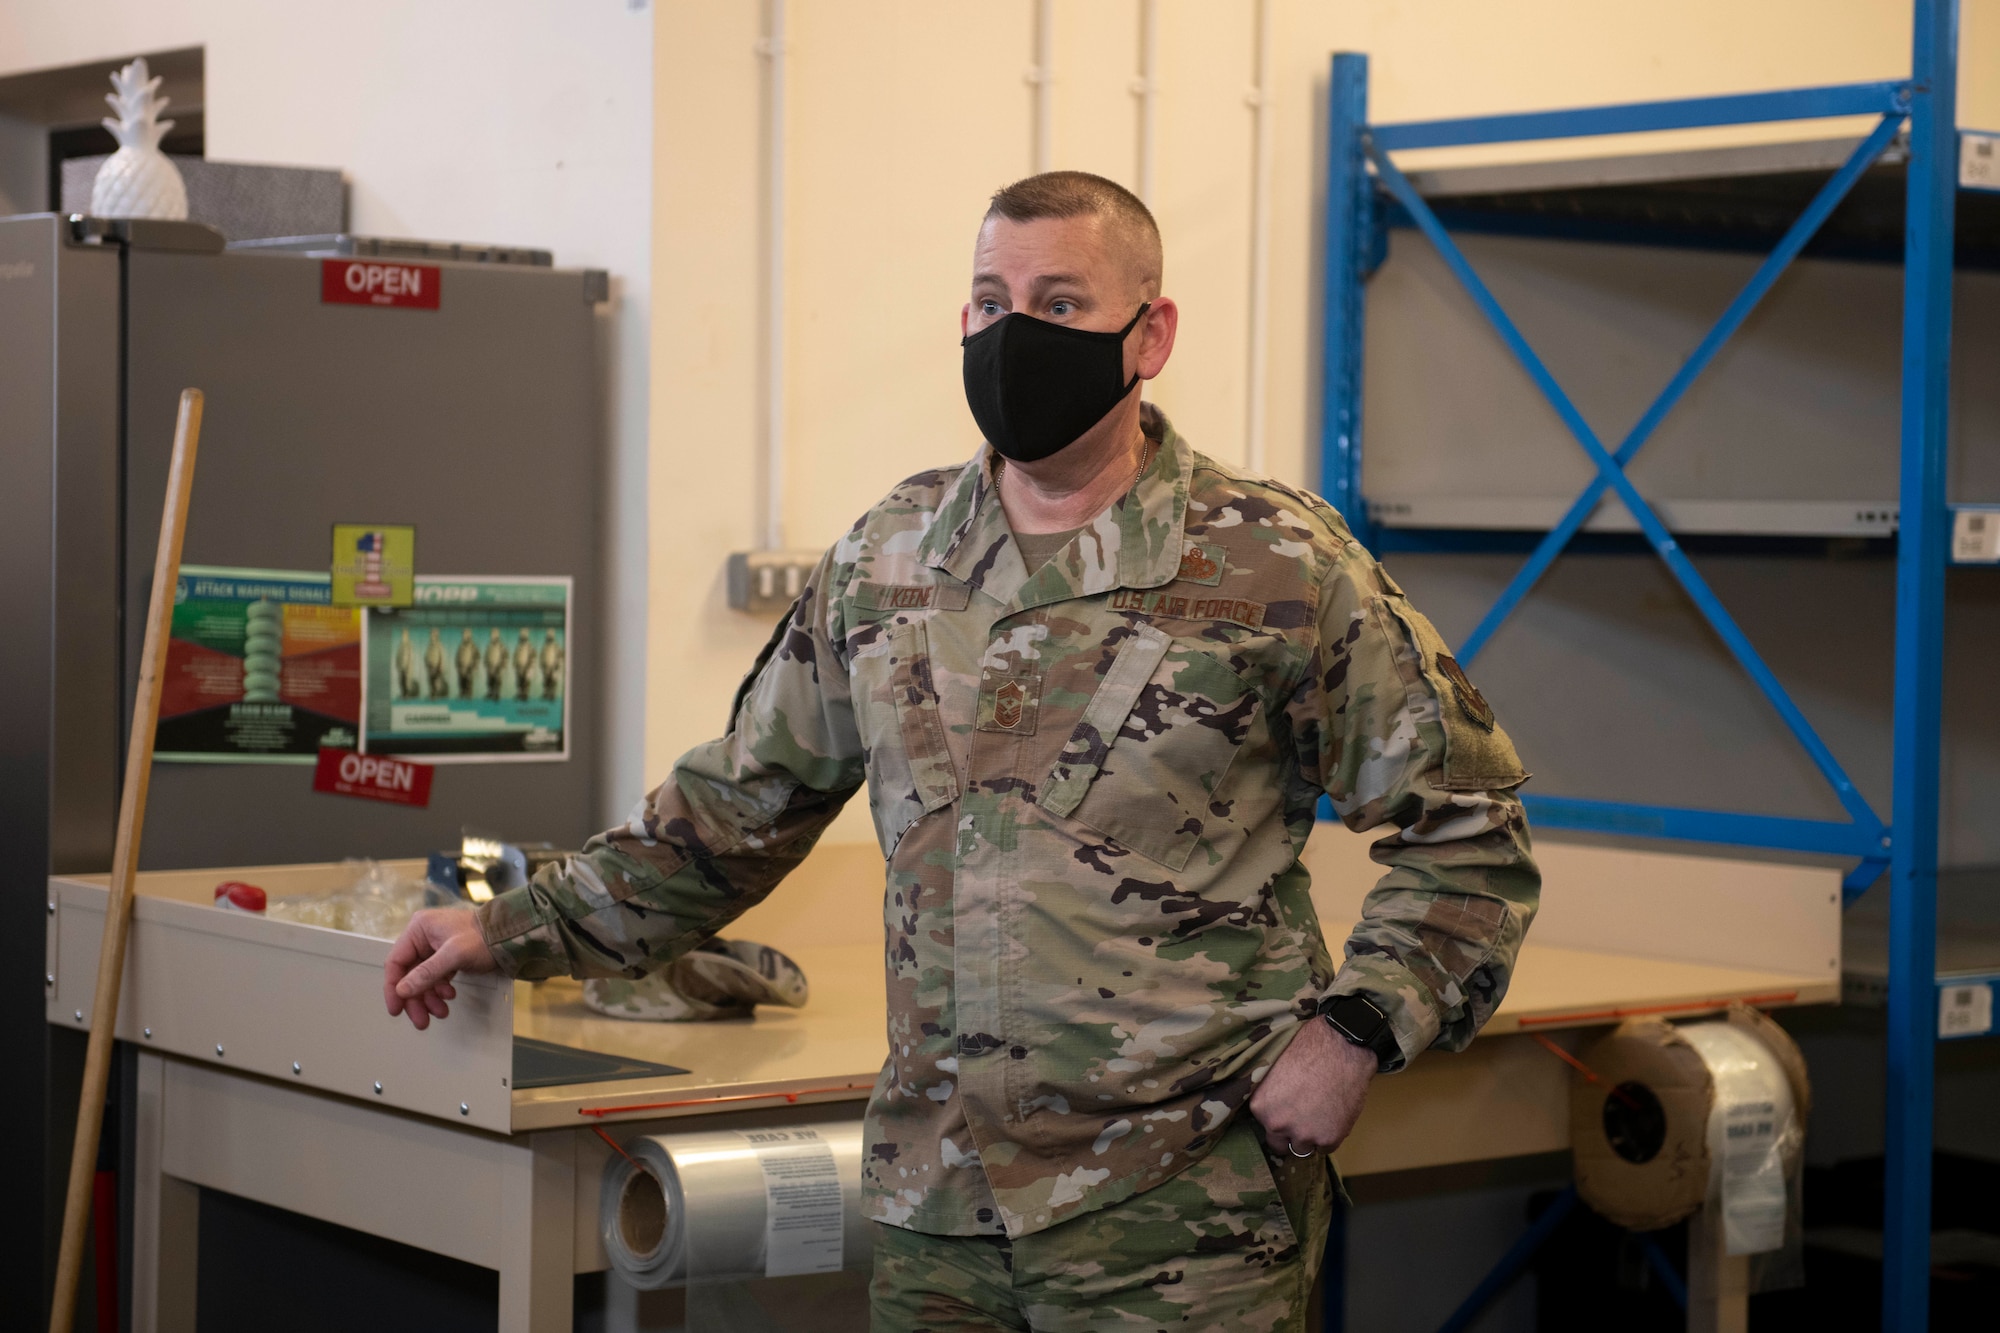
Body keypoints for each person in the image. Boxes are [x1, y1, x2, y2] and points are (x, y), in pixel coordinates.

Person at [385, 171, 1538, 1330]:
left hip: (1186, 1211)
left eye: (1058, 304)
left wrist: (1353, 1033)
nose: (1010, 334)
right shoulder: (888, 559)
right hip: (938, 1207)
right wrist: (505, 928)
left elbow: (1471, 836)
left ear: (1151, 335)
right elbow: (731, 814)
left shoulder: (1271, 564)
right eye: (988, 301)